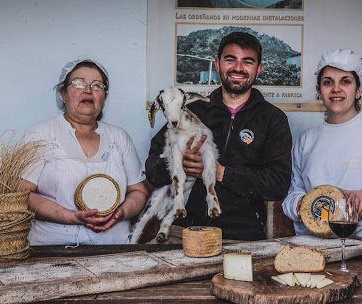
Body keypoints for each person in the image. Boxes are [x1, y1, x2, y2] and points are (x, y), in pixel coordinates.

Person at [146, 32, 292, 241]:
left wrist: (222, 173)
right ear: (217, 64)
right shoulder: (190, 112)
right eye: (230, 59)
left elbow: (278, 184)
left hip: (242, 236)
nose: (238, 68)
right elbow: (152, 168)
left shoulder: (273, 119)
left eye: (247, 62)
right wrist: (177, 164)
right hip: (182, 233)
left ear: (259, 69)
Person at [23, 59, 149, 245]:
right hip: (51, 248)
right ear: (63, 93)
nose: (88, 90)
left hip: (114, 247)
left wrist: (121, 213)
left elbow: (138, 191)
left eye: (97, 85)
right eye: (79, 83)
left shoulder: (119, 137)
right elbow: (22, 194)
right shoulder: (41, 133)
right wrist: (70, 217)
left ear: (104, 97)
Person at [282, 49, 362, 238]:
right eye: (328, 82)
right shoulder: (306, 140)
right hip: (310, 248)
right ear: (318, 91)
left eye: (345, 81)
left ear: (358, 91)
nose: (336, 89)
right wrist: (303, 205)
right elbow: (292, 195)